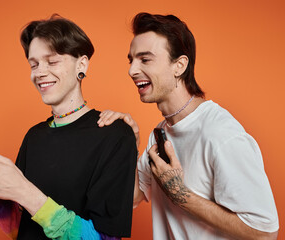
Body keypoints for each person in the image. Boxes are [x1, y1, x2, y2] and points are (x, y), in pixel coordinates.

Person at [98, 12, 279, 239]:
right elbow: (131, 197)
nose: (131, 70)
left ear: (179, 65)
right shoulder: (160, 133)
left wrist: (180, 194)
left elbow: (265, 232)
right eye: (131, 60)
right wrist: (129, 144)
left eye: (145, 59)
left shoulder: (220, 134)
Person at [0, 15, 137, 239]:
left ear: (81, 64)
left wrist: (23, 190)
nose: (40, 72)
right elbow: (17, 230)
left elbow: (104, 238)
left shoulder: (115, 135)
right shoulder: (34, 136)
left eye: (52, 62)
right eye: (34, 64)